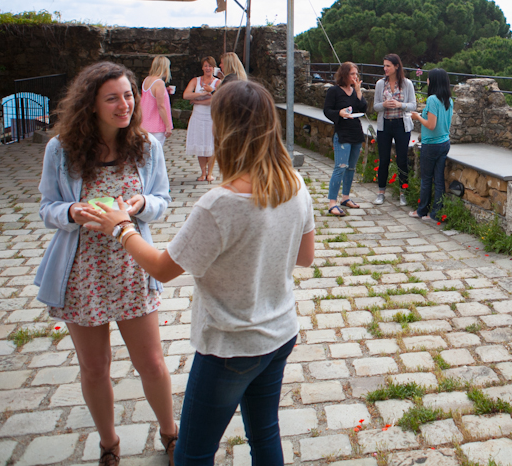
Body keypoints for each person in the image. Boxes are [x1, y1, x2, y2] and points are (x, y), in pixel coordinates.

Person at [81, 80, 315, 466]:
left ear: (225, 129)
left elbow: (161, 267)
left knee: (192, 454)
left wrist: (121, 227)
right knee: (266, 435)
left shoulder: (219, 204)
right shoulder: (294, 183)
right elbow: (305, 257)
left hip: (230, 346)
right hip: (280, 334)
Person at [35, 62, 176, 466]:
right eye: (112, 98)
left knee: (151, 362)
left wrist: (143, 204)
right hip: (83, 273)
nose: (124, 104)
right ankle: (109, 444)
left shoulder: (147, 145)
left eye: (128, 95)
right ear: (91, 104)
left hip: (133, 266)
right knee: (94, 368)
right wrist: (71, 211)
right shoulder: (60, 150)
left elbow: (163, 200)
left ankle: (170, 434)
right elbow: (47, 207)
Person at [372, 54, 417, 207]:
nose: (385, 69)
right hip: (385, 125)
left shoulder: (407, 84)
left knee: (402, 159)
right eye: (384, 66)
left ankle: (403, 192)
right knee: (383, 158)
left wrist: (400, 105)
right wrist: (384, 104)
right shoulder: (380, 84)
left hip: (401, 125)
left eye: (388, 66)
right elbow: (375, 106)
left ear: (396, 66)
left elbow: (413, 105)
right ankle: (381, 191)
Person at [322, 62, 367, 216]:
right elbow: (327, 110)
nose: (355, 77)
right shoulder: (334, 91)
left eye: (356, 74)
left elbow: (362, 108)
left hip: (356, 132)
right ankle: (332, 202)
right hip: (342, 133)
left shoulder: (354, 91)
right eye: (352, 74)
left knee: (351, 167)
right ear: (345, 75)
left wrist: (358, 90)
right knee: (340, 167)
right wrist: (339, 113)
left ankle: (345, 198)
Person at [409, 68, 452, 222]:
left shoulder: (432, 100)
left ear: (433, 81)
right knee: (439, 180)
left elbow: (431, 125)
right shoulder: (448, 100)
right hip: (444, 142)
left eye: (428, 78)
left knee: (426, 179)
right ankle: (436, 213)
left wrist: (417, 117)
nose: (426, 81)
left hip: (431, 145)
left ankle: (421, 211)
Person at [184, 56, 221, 182]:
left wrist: (197, 101)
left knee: (210, 143)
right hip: (198, 116)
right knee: (200, 143)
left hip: (211, 116)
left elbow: (217, 99)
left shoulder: (217, 82)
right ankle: (203, 172)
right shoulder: (196, 80)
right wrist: (201, 94)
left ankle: (210, 172)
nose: (208, 68)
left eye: (210, 66)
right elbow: (186, 95)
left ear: (213, 68)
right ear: (202, 67)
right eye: (205, 66)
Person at [141, 56, 174, 145]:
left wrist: (165, 91)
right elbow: (161, 106)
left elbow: (151, 97)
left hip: (145, 123)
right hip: (156, 125)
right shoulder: (159, 83)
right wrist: (168, 126)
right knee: (155, 154)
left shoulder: (147, 80)